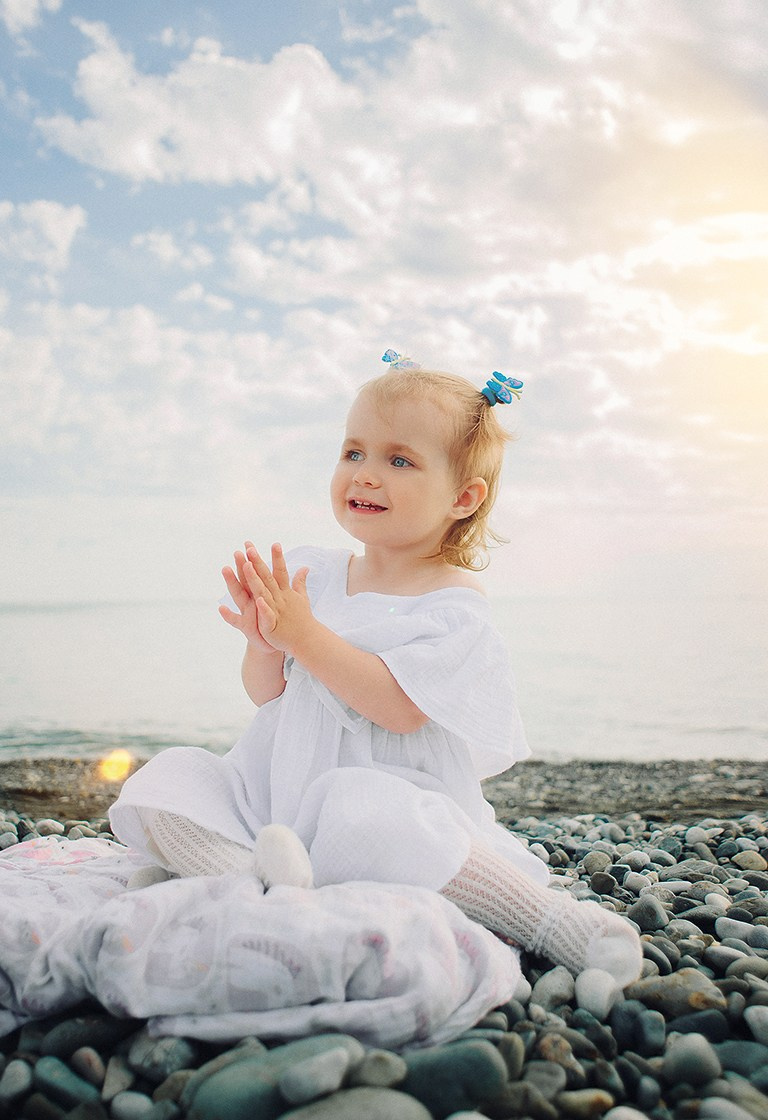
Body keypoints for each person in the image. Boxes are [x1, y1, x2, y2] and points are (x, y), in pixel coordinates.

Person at [109, 351, 642, 987]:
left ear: (463, 497)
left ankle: (553, 922)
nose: (365, 474)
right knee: (169, 780)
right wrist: (264, 644)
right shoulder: (315, 574)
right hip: (276, 797)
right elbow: (267, 697)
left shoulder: (452, 607)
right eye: (353, 452)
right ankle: (254, 878)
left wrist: (304, 635)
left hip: (380, 800)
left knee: (371, 815)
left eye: (399, 460)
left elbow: (399, 709)